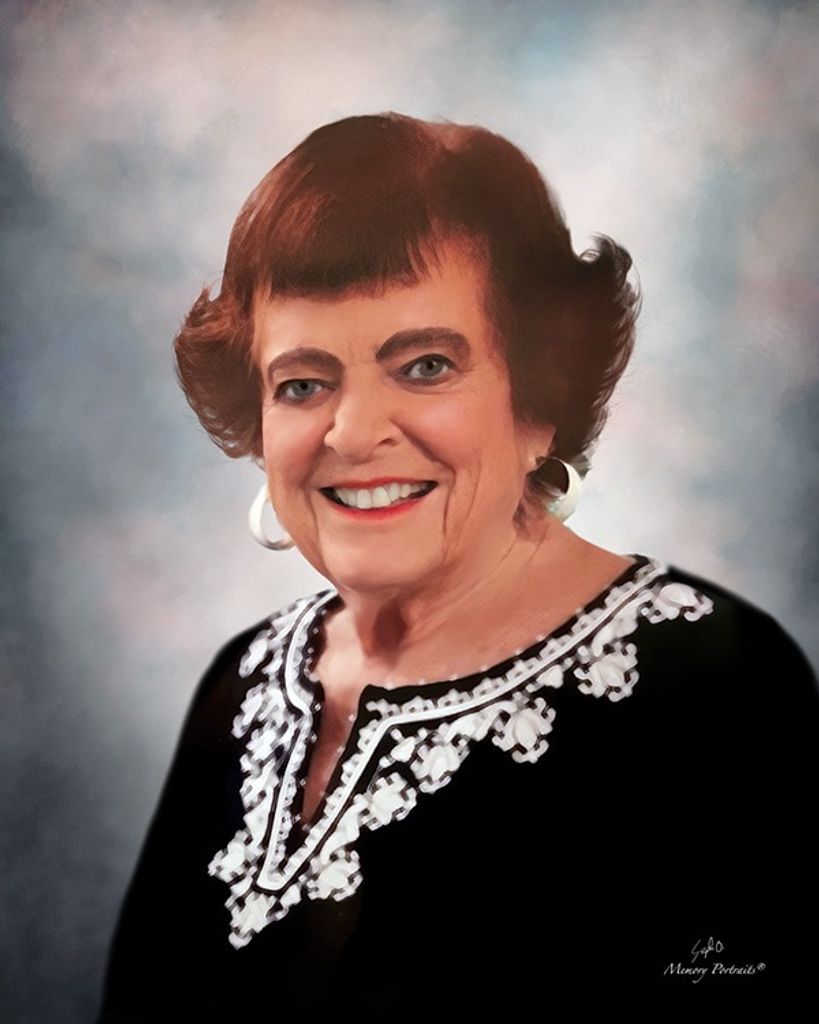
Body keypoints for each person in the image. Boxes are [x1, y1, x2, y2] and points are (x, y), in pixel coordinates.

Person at [96, 112, 819, 1020]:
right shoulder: (240, 684)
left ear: (539, 399)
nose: (353, 433)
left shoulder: (713, 688)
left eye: (425, 365)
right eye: (302, 383)